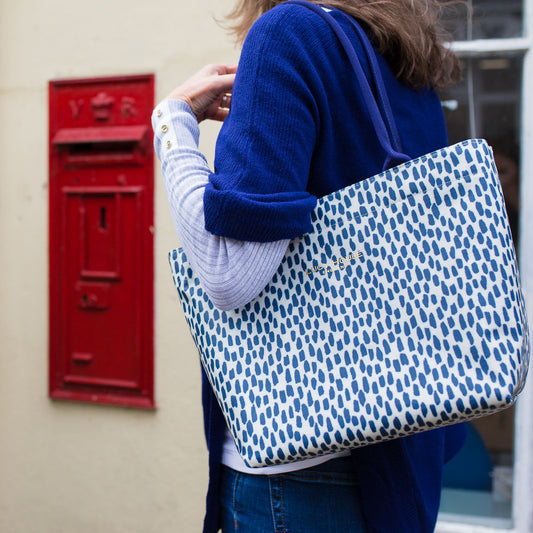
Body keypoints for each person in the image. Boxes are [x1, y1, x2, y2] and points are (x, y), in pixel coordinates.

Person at [152, 0, 468, 531]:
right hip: (401, 457)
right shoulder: (407, 62)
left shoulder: (288, 34)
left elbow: (229, 274)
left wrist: (171, 122)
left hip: (298, 472)